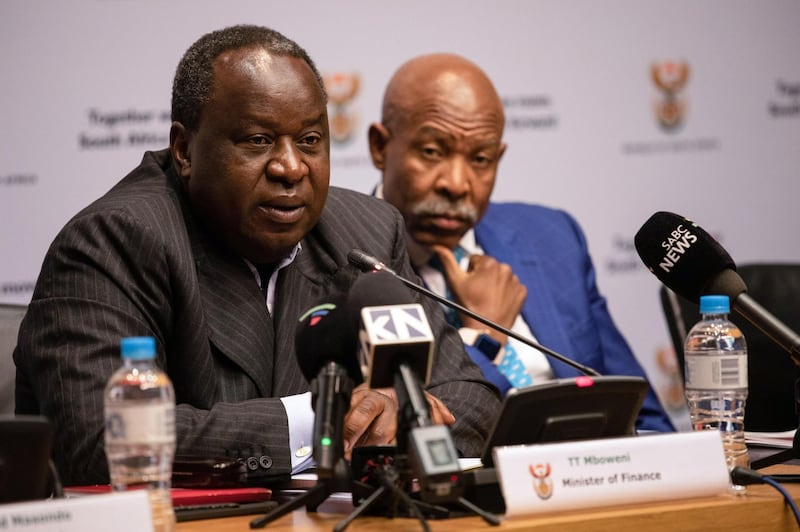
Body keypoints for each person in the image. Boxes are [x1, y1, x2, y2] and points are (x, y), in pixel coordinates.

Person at [13, 27, 500, 486]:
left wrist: (404, 408)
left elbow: (471, 397)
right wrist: (328, 417)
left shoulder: (366, 232)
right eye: (258, 141)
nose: (291, 167)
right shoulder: (112, 241)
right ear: (183, 150)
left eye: (310, 141)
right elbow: (98, 444)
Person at [369, 53, 674, 432]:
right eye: (432, 152)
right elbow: (418, 437)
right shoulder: (344, 260)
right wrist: (483, 337)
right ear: (380, 147)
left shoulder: (552, 237)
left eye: (480, 159)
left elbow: (644, 417)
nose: (457, 183)